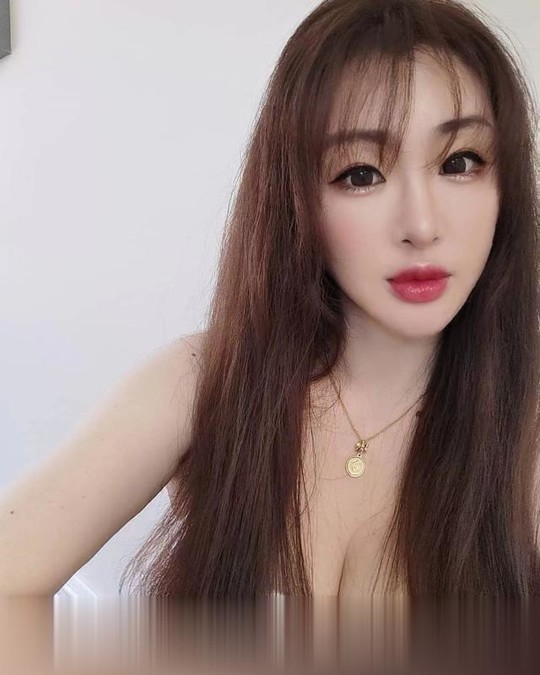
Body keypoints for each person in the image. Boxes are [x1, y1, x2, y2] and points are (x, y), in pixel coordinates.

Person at [1, 0, 539, 598]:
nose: (421, 224)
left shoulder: (526, 431)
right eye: (361, 173)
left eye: (460, 162)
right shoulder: (207, 383)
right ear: (296, 198)